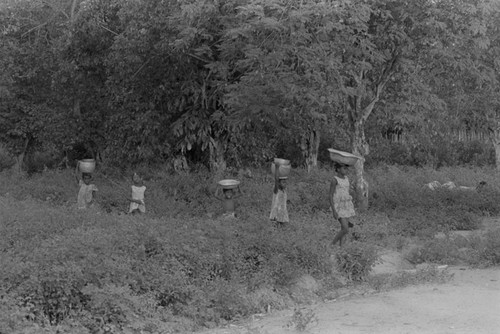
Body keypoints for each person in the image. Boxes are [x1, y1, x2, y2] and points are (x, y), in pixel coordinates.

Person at [329, 162, 355, 246]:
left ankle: (341, 249)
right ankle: (332, 244)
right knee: (345, 229)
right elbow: (330, 195)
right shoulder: (334, 180)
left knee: (343, 229)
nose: (346, 170)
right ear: (338, 169)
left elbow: (346, 191)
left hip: (346, 205)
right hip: (338, 206)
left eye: (347, 168)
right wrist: (334, 210)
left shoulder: (346, 178)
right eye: (344, 168)